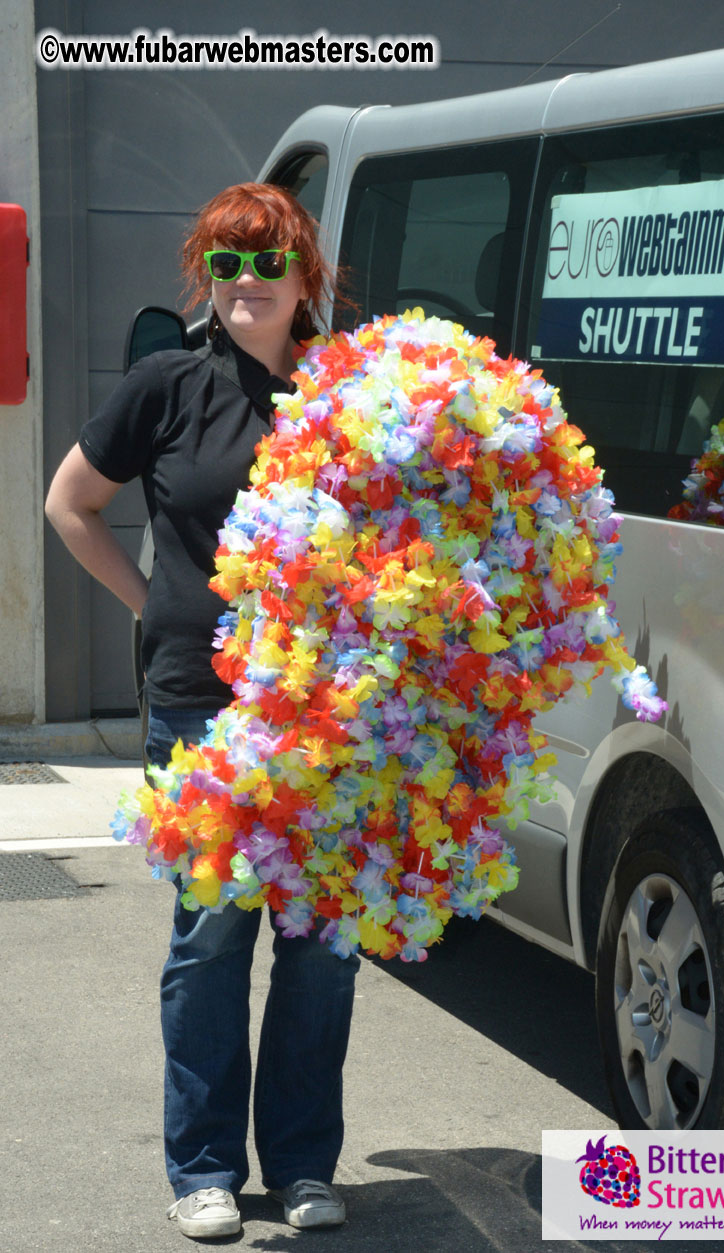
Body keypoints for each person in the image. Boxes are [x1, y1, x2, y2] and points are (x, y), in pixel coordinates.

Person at [45, 184, 359, 1241]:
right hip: (202, 707)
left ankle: (304, 1162)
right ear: (203, 277)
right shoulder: (167, 383)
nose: (246, 281)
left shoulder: (345, 394)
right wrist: (156, 607)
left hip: (326, 714)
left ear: (305, 276)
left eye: (268, 260)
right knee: (213, 938)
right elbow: (70, 504)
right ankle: (205, 1166)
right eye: (225, 263)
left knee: (320, 944)